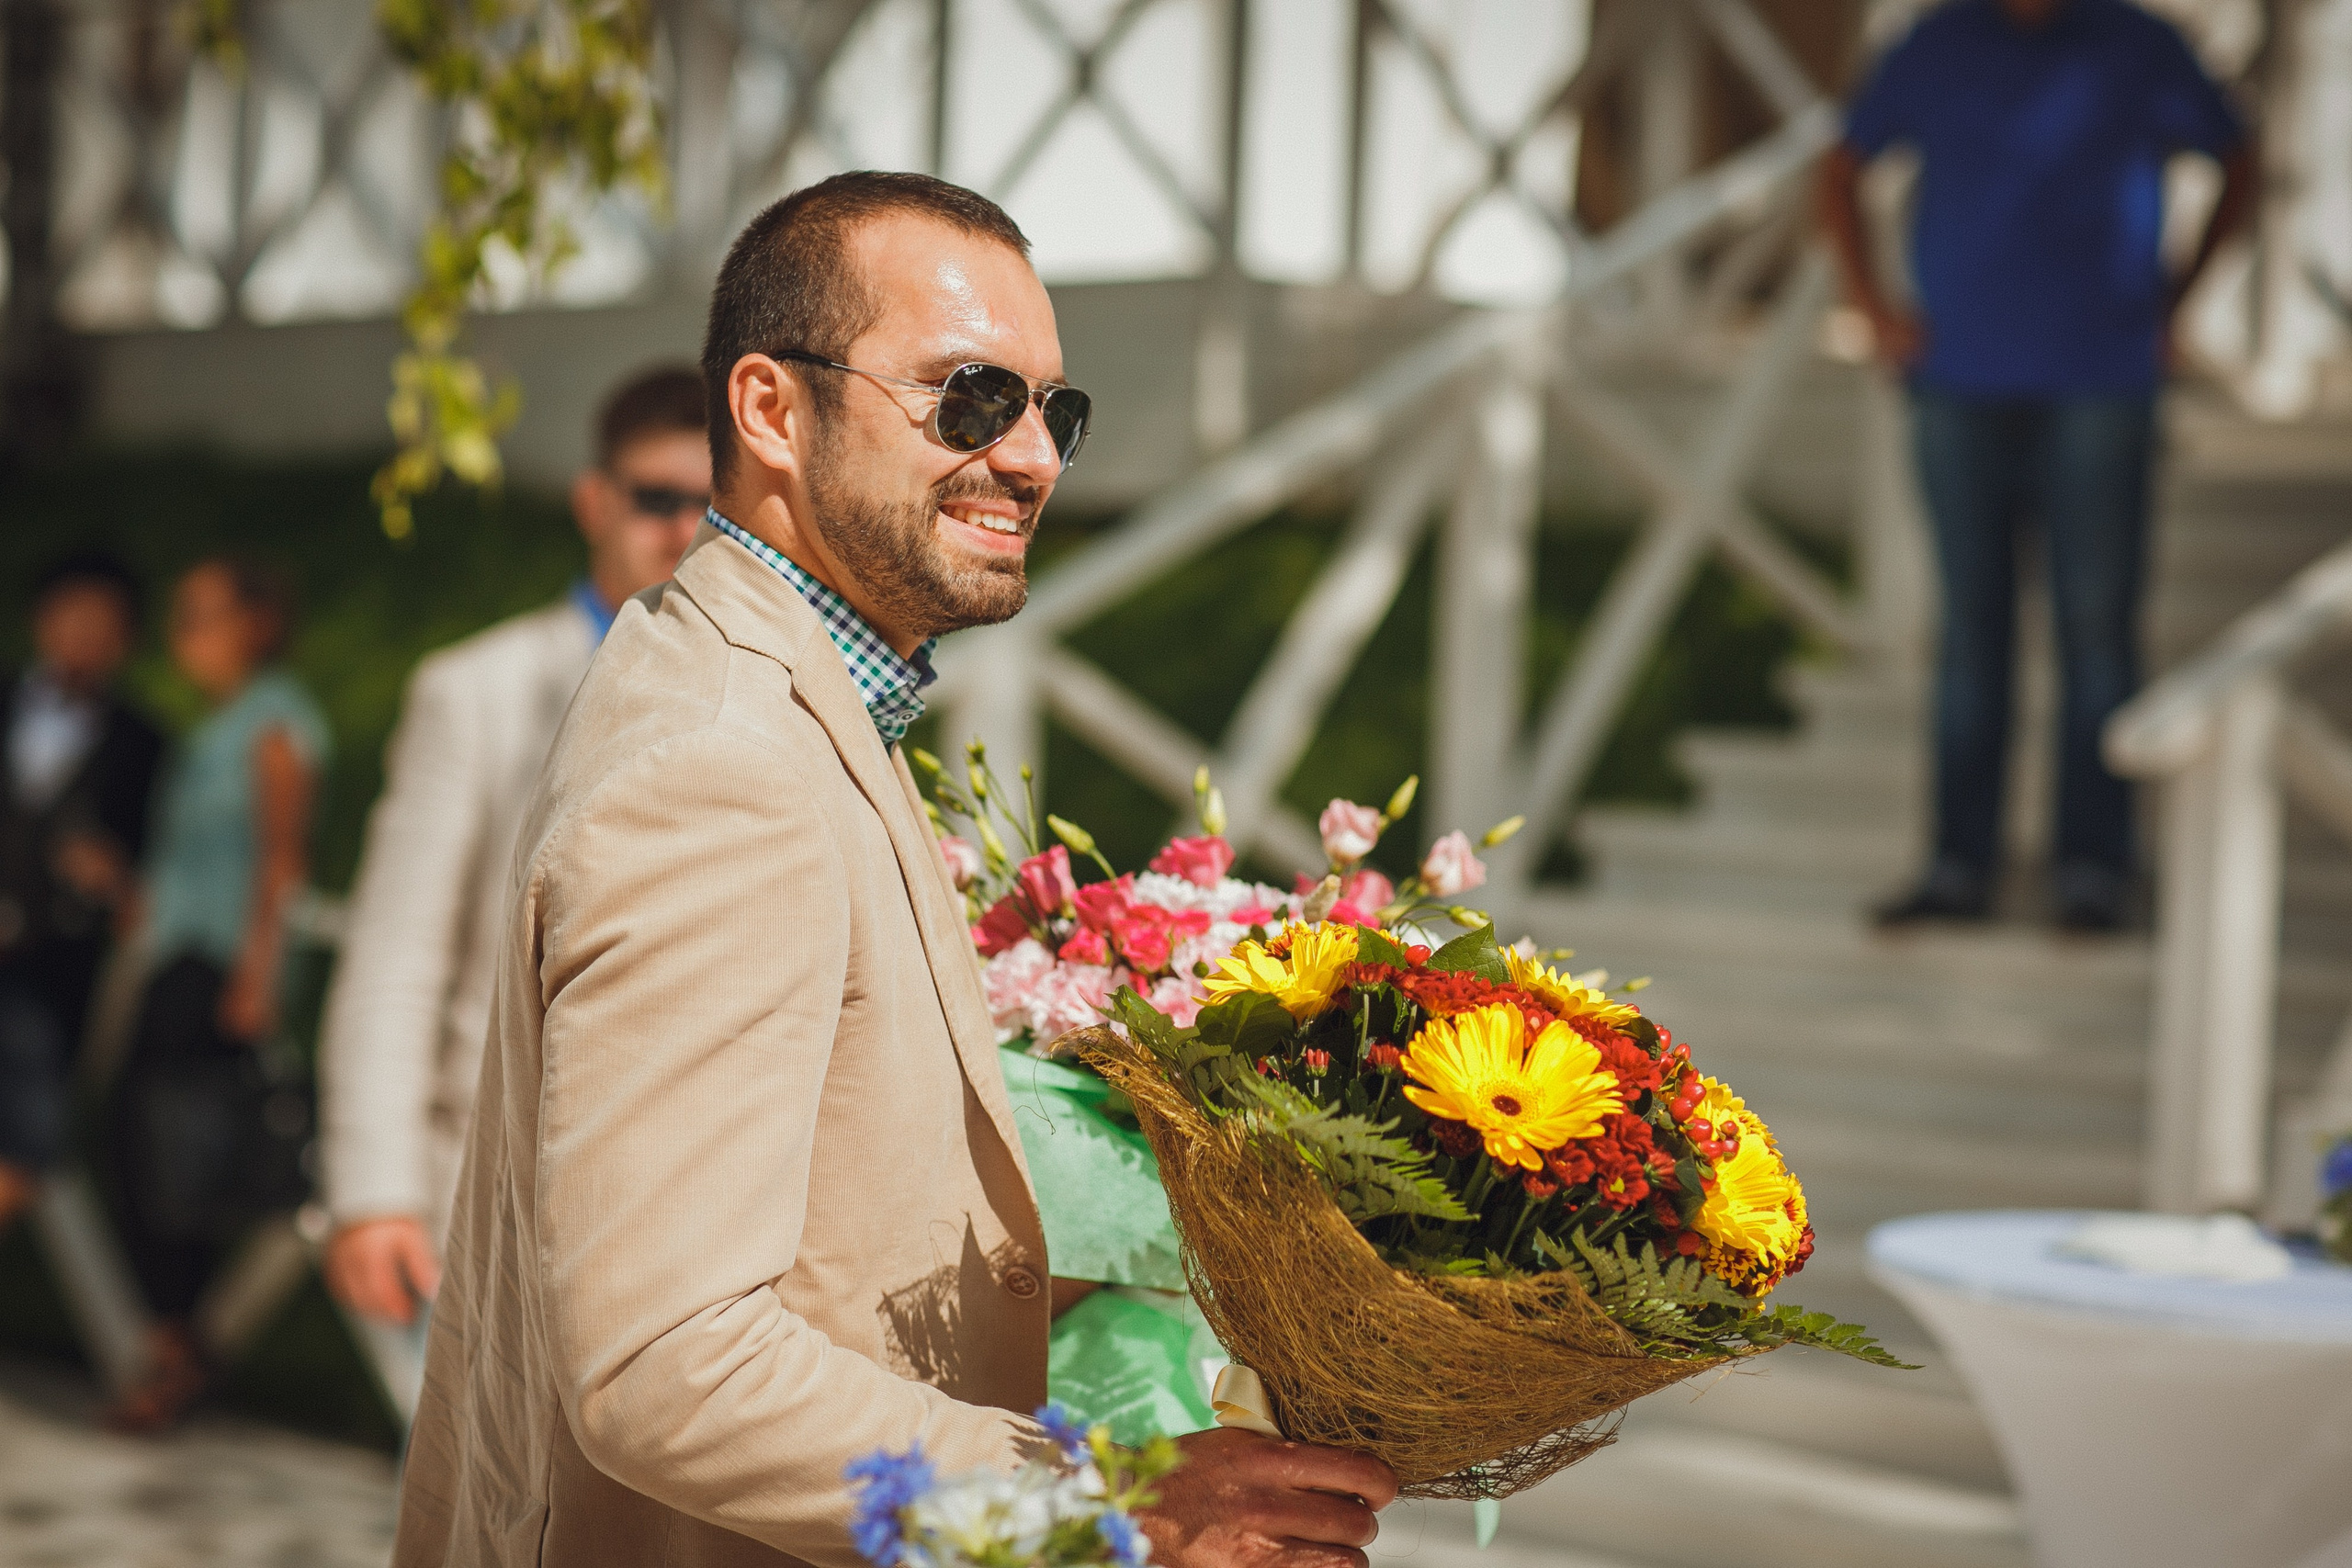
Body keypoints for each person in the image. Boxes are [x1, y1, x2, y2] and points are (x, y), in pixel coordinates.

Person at [394, 171, 1396, 1568]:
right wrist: (1109, 1495)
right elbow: (665, 1362)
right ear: (770, 411)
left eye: (1058, 409)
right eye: (970, 397)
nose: (1036, 455)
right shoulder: (725, 765)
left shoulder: (764, 689)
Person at [1819, 0, 2255, 931]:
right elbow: (1840, 164)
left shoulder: (2139, 43)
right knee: (1970, 633)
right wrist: (1872, 306)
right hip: (1958, 382)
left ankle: (2093, 870)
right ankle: (1957, 865)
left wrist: (2175, 304)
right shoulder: (1935, 43)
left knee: (2096, 630)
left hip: (2101, 382)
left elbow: (2239, 156)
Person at [316, 367, 708, 1349]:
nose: (684, 530)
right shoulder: (476, 692)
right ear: (594, 501)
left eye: (713, 505)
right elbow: (398, 950)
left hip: (695, 1234)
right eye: (658, 499)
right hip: (490, 1209)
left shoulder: (769, 696)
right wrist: (371, 1192)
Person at [106, 556, 329, 1432]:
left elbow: (283, 856)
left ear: (254, 623)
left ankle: (179, 1350)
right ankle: (176, 1343)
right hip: (175, 958)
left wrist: (259, 977)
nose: (184, 636)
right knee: (142, 1146)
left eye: (202, 616)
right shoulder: (215, 726)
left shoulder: (276, 724)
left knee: (177, 1159)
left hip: (218, 970)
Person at [0, 553, 163, 1233]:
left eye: (104, 626)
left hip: (51, 964)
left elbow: (146, 868)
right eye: (74, 619)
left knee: (23, 1136)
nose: (84, 639)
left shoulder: (144, 741)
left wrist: (112, 873)